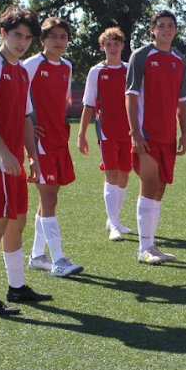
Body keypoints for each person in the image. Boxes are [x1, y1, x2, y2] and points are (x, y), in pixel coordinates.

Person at [0, 6, 52, 316]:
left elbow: (25, 118)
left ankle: (16, 287)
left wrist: (32, 155)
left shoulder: (20, 71)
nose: (21, 43)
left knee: (16, 221)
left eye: (27, 38)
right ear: (3, 33)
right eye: (16, 35)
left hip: (16, 161)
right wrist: (5, 153)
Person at [127, 10, 186, 265]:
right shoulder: (141, 56)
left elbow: (181, 100)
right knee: (149, 185)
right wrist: (135, 132)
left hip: (168, 135)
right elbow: (130, 95)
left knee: (160, 187)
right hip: (146, 134)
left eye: (170, 26)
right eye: (161, 25)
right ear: (152, 29)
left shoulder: (179, 59)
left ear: (175, 30)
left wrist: (184, 131)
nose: (166, 30)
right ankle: (143, 248)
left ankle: (151, 244)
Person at [23, 17, 83, 277]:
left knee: (51, 198)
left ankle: (37, 256)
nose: (59, 41)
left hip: (60, 138)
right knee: (48, 199)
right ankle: (58, 260)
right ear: (42, 39)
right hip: (41, 141)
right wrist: (25, 127)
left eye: (63, 37)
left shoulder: (67, 66)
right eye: (53, 36)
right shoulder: (31, 65)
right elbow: (16, 97)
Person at [78, 27, 134, 242]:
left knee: (124, 174)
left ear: (122, 45)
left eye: (116, 43)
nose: (112, 48)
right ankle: (114, 225)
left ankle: (115, 220)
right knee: (111, 174)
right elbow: (88, 104)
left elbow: (138, 101)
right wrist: (81, 134)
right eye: (108, 44)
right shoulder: (96, 72)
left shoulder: (130, 70)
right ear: (102, 47)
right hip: (107, 130)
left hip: (129, 130)